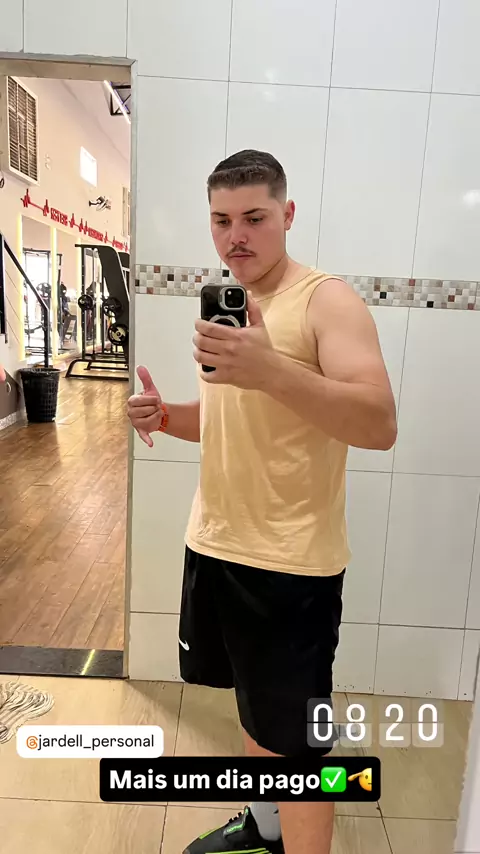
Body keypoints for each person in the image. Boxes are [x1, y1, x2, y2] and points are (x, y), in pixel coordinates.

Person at [128, 150, 397, 854]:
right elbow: (234, 420)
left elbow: (379, 424)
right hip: (217, 544)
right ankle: (264, 828)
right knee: (255, 714)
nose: (236, 236)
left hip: (290, 566)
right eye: (221, 220)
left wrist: (271, 368)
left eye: (254, 217)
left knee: (299, 750)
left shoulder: (325, 301)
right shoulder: (230, 303)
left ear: (288, 214)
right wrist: (167, 416)